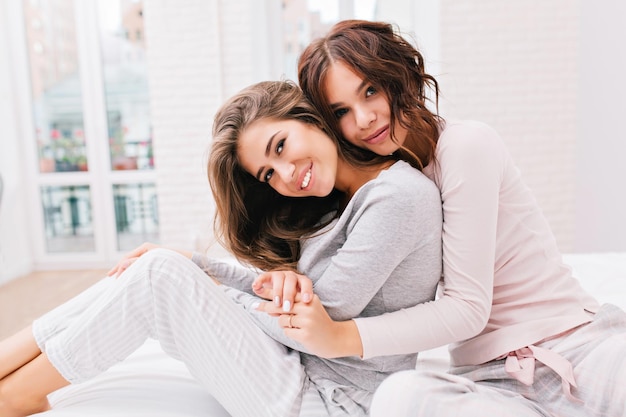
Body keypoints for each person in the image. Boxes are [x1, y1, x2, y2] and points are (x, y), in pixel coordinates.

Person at [0, 80, 442, 417]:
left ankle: (13, 398)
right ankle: (9, 361)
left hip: (333, 402)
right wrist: (195, 266)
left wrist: (196, 285)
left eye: (281, 146)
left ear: (312, 118)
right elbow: (290, 302)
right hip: (299, 373)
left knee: (160, 275)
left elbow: (316, 319)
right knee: (159, 267)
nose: (286, 174)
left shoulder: (396, 197)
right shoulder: (340, 203)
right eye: (269, 174)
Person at [256, 19, 624, 416]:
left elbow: (467, 308)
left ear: (399, 75)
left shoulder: (466, 146)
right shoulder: (384, 191)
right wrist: (284, 275)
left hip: (578, 345)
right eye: (342, 111)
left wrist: (340, 337)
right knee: (402, 396)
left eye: (371, 90)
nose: (364, 118)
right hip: (491, 380)